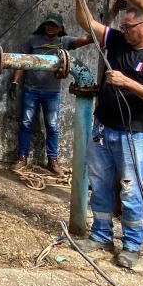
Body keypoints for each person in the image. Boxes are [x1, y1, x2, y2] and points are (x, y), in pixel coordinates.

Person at [71, 0, 143, 269]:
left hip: (134, 135)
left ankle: (132, 245)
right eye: (123, 26)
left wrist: (127, 82)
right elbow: (88, 22)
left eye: (129, 26)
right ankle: (101, 235)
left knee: (131, 191)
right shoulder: (117, 41)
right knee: (101, 186)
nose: (124, 29)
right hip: (103, 130)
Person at [9, 12, 91, 176]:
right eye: (48, 24)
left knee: (52, 127)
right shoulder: (33, 41)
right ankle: (22, 157)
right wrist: (15, 82)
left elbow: (85, 39)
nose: (50, 27)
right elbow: (22, 62)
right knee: (26, 124)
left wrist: (97, 26)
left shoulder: (64, 42)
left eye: (54, 25)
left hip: (51, 93)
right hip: (31, 90)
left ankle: (52, 160)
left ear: (60, 28)